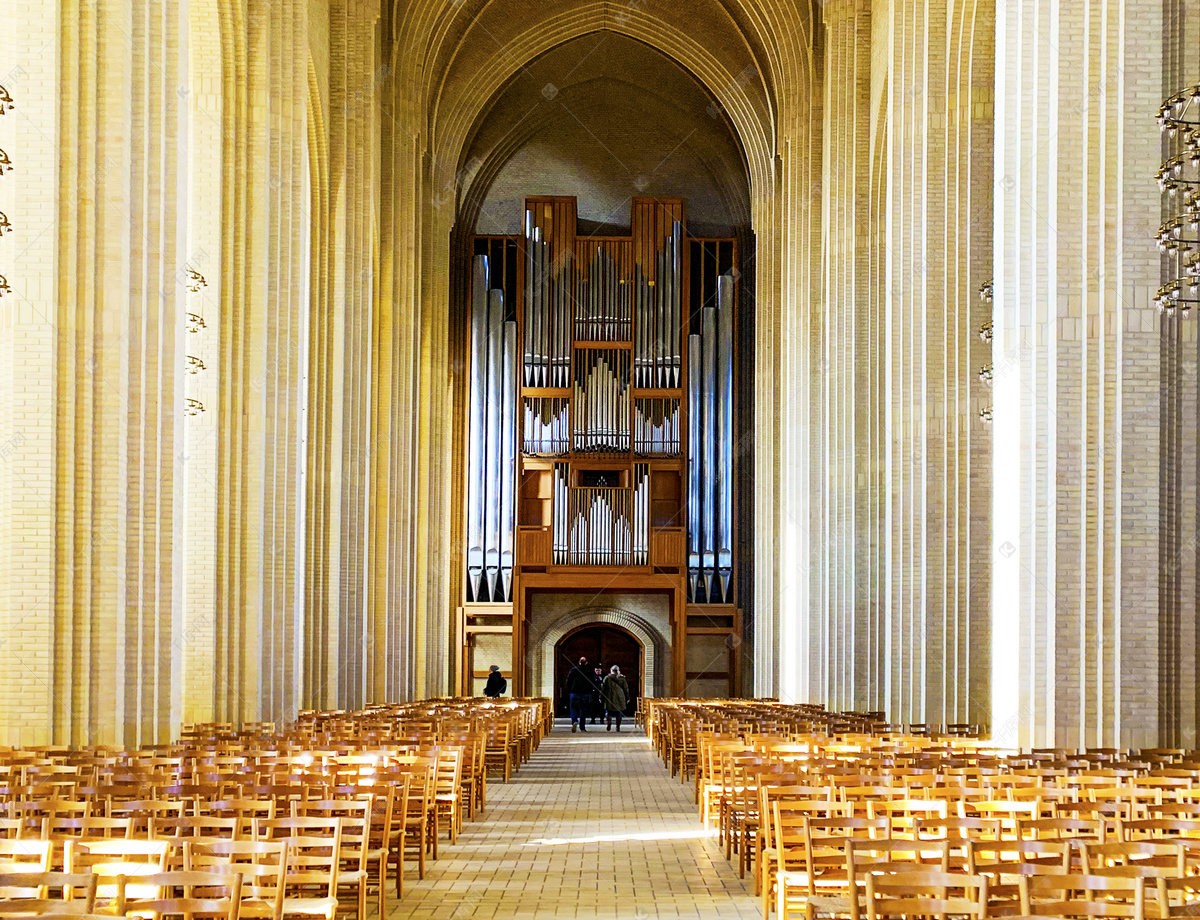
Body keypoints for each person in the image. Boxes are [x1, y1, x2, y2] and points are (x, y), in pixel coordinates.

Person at [565, 656, 593, 732]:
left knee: (573, 708)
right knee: (583, 710)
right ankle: (582, 727)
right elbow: (592, 682)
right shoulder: (588, 671)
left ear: (579, 662)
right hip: (585, 693)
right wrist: (589, 690)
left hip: (574, 692)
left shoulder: (573, 670)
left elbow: (568, 681)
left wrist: (569, 690)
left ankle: (574, 721)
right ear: (586, 662)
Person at [600, 664, 629, 732]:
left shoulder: (607, 678)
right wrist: (627, 697)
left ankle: (609, 722)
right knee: (619, 712)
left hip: (609, 696)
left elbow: (603, 688)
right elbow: (626, 688)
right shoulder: (622, 678)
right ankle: (618, 726)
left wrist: (601, 697)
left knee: (608, 712)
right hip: (620, 697)